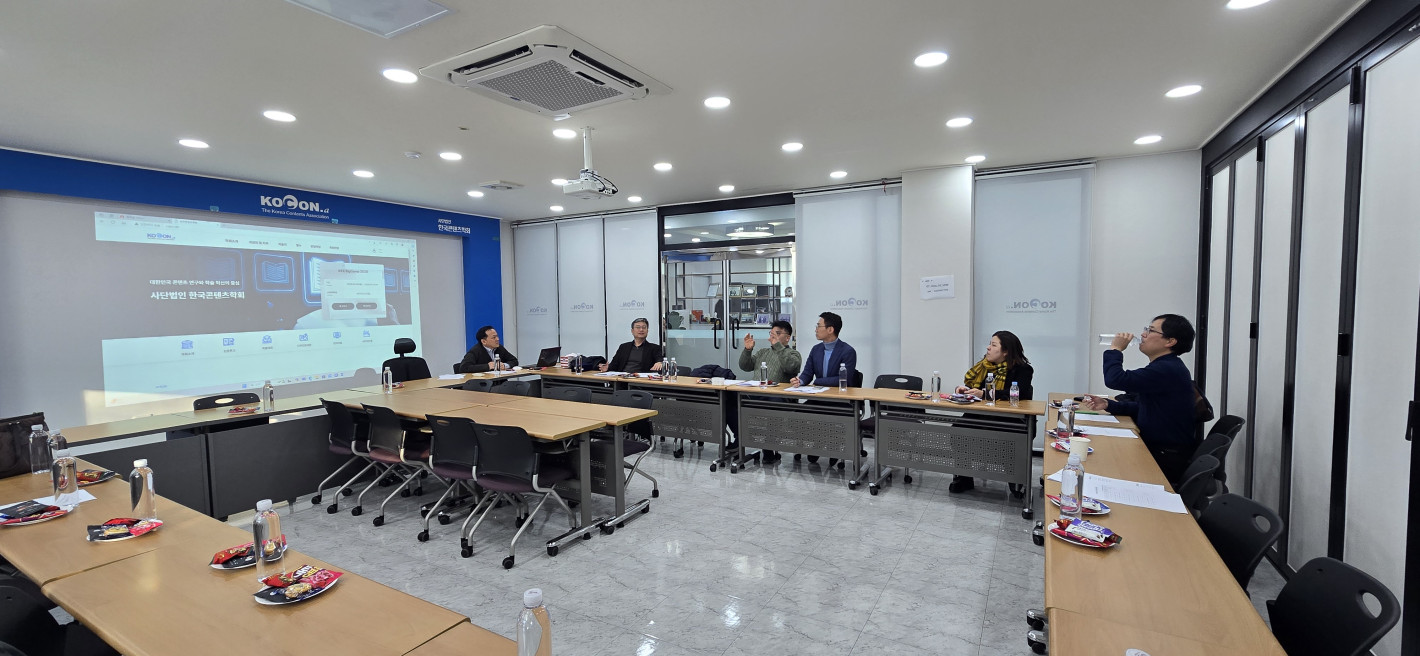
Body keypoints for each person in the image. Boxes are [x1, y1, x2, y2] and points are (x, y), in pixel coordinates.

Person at [1082, 314, 1198, 484]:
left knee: (1100, 464)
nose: (1143, 334)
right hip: (1160, 448)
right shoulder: (1166, 366)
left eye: (1150, 331)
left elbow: (1115, 379)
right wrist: (1108, 405)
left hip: (1164, 457)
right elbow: (1147, 407)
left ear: (1170, 341)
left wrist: (1115, 350)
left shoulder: (1167, 369)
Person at [948, 330, 1035, 493]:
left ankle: (1015, 481)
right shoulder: (985, 367)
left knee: (1009, 439)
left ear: (1006, 351)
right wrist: (966, 390)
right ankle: (964, 477)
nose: (988, 348)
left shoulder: (1023, 370)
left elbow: (1018, 393)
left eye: (993, 345)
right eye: (989, 344)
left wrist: (986, 394)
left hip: (1010, 419)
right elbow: (977, 390)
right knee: (959, 431)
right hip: (981, 415)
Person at [738, 320, 803, 464]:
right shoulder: (763, 352)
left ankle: (767, 448)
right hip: (755, 394)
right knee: (731, 399)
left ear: (787, 337)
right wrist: (747, 350)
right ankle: (738, 441)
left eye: (777, 333)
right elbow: (745, 366)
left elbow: (790, 367)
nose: (773, 336)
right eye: (772, 333)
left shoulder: (793, 354)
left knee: (772, 403)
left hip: (778, 398)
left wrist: (778, 346)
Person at [789, 311, 857, 388]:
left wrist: (818, 381)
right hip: (819, 393)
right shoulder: (816, 349)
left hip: (839, 394)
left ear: (830, 330)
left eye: (818, 326)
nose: (816, 330)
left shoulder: (847, 351)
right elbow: (807, 373)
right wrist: (799, 381)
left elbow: (843, 379)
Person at [600, 318, 665, 374]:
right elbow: (614, 365)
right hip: (622, 379)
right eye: (638, 327)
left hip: (640, 381)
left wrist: (659, 362)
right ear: (632, 331)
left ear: (647, 331)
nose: (641, 330)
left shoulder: (654, 348)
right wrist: (607, 368)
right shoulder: (623, 347)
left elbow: (659, 359)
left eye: (644, 327)